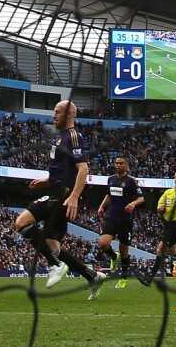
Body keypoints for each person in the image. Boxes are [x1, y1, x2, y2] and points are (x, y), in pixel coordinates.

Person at [13, 100, 106, 300]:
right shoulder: (60, 138)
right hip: (56, 190)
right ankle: (92, 276)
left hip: (61, 196)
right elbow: (66, 171)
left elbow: (83, 169)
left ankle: (55, 265)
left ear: (68, 115)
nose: (53, 116)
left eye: (57, 112)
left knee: (21, 223)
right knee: (53, 246)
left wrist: (74, 196)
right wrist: (46, 181)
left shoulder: (73, 136)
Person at [97, 157, 144, 289]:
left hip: (125, 220)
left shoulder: (132, 181)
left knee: (124, 251)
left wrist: (133, 203)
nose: (118, 165)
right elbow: (108, 195)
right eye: (116, 163)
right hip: (111, 217)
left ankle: (123, 277)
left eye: (121, 163)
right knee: (103, 243)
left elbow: (141, 198)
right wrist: (101, 207)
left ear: (126, 165)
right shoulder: (110, 179)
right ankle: (113, 256)